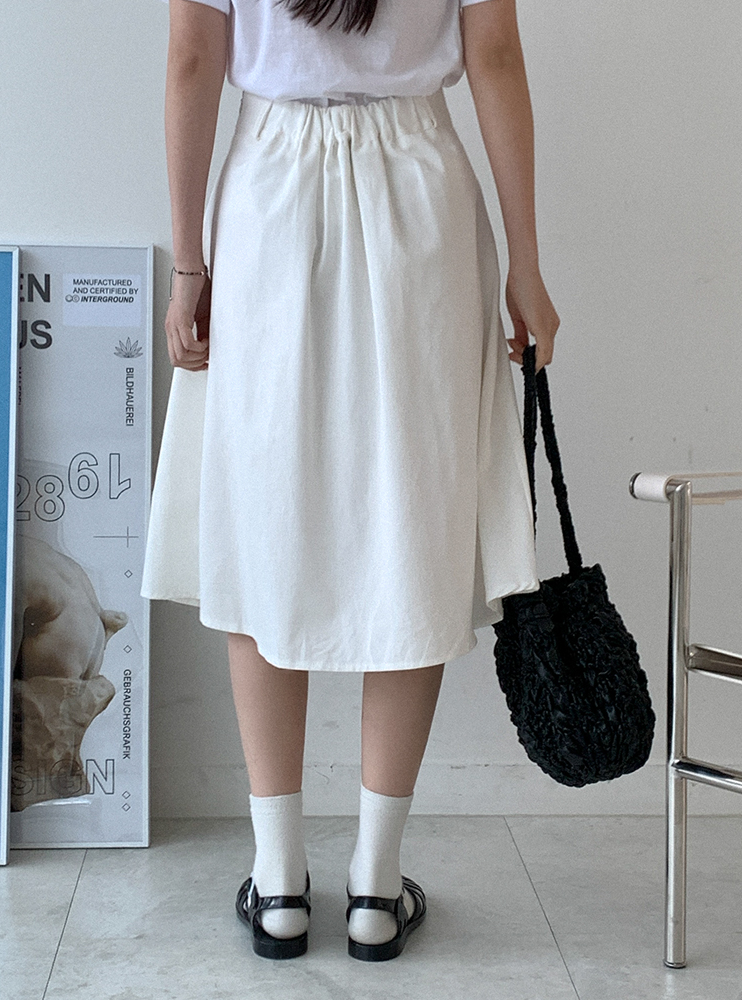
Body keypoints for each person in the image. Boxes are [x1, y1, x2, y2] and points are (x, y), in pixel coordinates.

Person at [142, 0, 559, 963]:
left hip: (270, 199)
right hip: (422, 198)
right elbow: (495, 55)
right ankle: (375, 884)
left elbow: (192, 58)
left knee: (265, 525)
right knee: (410, 520)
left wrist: (189, 266)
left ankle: (279, 881)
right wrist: (527, 265)